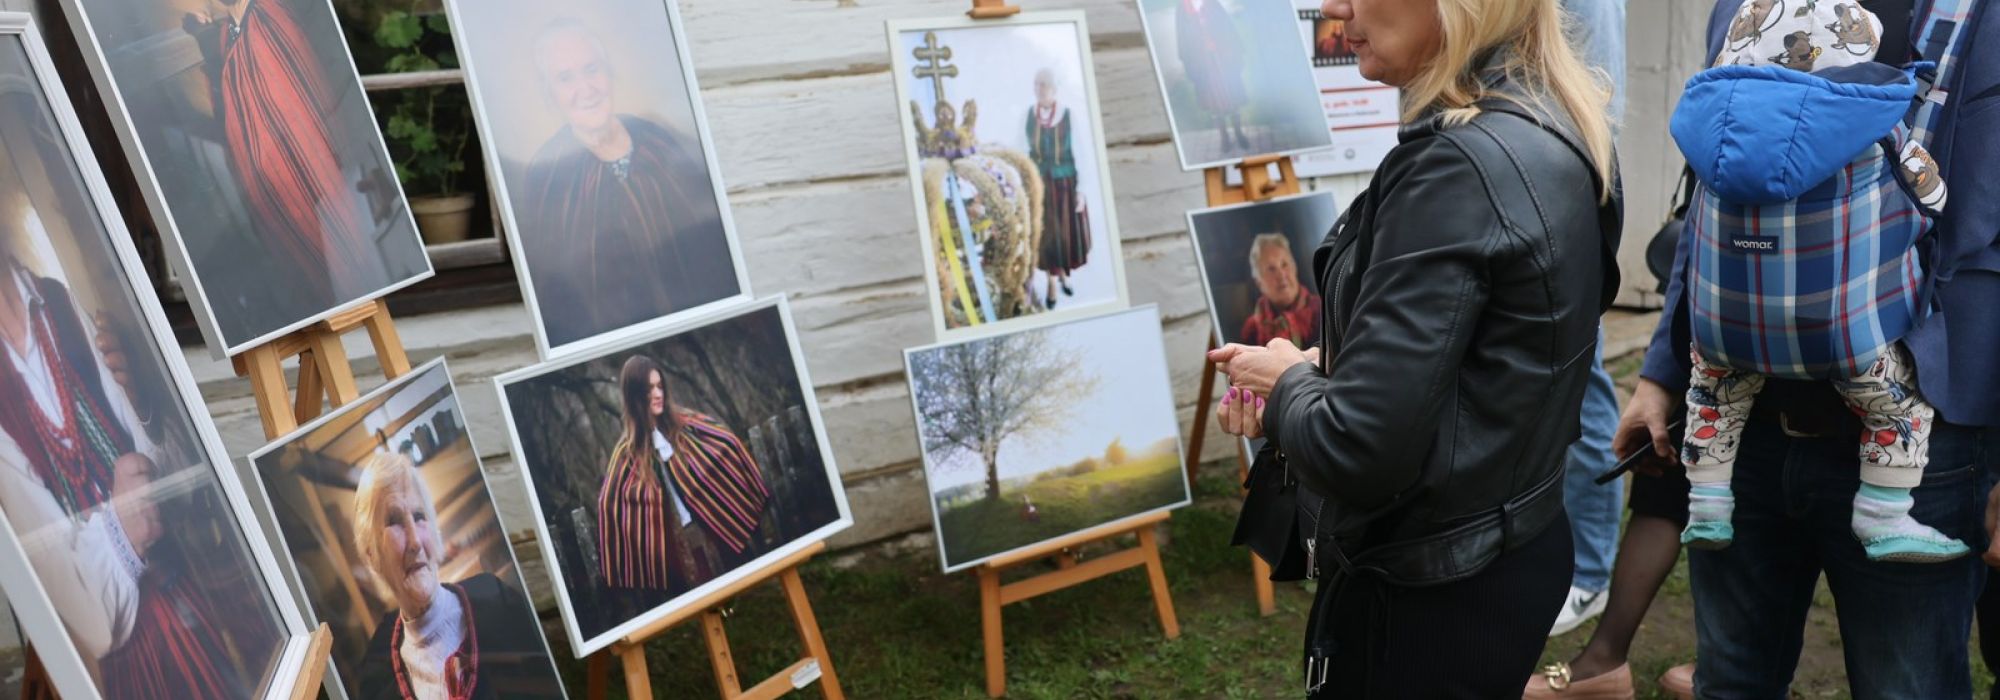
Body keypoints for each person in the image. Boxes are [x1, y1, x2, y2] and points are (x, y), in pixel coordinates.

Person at [1213, 0, 1621, 693]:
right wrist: (1332, 367)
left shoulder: (1458, 164)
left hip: (1430, 587)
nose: (1336, 6)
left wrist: (1287, 385)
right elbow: (1499, 357)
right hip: (1509, 546)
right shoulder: (1548, 118)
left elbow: (1358, 446)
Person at [1621, 0, 1999, 695]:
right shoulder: (1742, 10)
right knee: (1730, 676)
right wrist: (1660, 371)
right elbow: (1714, 198)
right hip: (1749, 424)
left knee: (1904, 685)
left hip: (1930, 435)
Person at [0, 191, 244, 698]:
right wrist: (124, 515)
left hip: (189, 608)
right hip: (130, 666)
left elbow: (157, 458)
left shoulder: (59, 304)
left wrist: (143, 401)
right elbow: (83, 607)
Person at [520, 20, 737, 348]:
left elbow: (709, 247)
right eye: (566, 78)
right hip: (608, 348)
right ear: (550, 93)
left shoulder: (661, 142)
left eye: (592, 69)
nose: (586, 88)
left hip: (709, 334)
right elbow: (559, 292)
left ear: (609, 73)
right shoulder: (546, 175)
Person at [181, 0, 380, 306]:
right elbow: (232, 105)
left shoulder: (268, 15)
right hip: (272, 192)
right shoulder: (228, 33)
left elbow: (298, 105)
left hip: (307, 181)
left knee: (344, 271)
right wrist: (205, 39)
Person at [350, 454, 561, 699]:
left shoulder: (500, 603)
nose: (415, 541)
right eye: (394, 521)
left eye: (419, 517)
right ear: (372, 555)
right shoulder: (377, 684)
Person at [596, 356, 770, 598]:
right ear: (634, 395)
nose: (658, 394)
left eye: (660, 386)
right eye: (649, 389)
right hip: (675, 546)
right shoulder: (627, 452)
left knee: (744, 590)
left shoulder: (684, 425)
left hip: (714, 525)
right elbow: (609, 502)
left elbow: (725, 441)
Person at [1026, 69, 1091, 310]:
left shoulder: (1068, 116)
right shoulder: (1028, 116)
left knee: (1063, 235)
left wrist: (1081, 191)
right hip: (1041, 187)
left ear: (1054, 88)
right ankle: (1054, 282)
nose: (1040, 89)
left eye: (1044, 85)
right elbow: (1022, 151)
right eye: (1037, 84)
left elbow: (1081, 154)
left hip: (1065, 187)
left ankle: (1061, 275)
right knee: (1047, 236)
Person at [1175, 0, 1252, 152]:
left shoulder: (1212, 3)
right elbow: (1182, 38)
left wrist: (1232, 51)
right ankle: (1224, 137)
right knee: (1214, 102)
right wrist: (1190, 61)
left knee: (1232, 96)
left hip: (1223, 59)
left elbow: (1228, 27)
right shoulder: (1182, 8)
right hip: (1203, 64)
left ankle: (1238, 132)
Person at [1236, 233, 1320, 348]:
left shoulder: (1322, 309)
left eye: (1284, 264)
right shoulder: (1251, 329)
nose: (1281, 275)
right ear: (1259, 282)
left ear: (1294, 267)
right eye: (1271, 269)